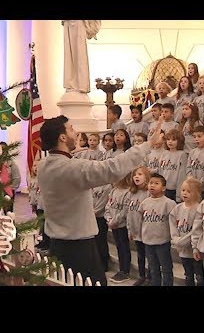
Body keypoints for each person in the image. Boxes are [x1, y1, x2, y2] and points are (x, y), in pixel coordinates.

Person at [37, 114, 163, 286]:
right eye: (72, 129)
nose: (76, 132)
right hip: (78, 247)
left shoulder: (44, 165)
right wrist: (147, 145)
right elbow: (111, 168)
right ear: (63, 137)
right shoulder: (71, 167)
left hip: (57, 243)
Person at [169, 178, 204, 286]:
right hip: (183, 250)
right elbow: (173, 225)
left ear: (197, 193)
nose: (185, 193)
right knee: (188, 275)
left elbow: (197, 230)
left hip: (196, 251)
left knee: (200, 276)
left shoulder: (199, 209)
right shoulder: (177, 209)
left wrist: (183, 241)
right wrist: (176, 239)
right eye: (183, 190)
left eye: (189, 191)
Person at [62, 20, 101, 93]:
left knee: (80, 55)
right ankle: (70, 84)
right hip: (68, 24)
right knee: (69, 56)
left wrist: (92, 28)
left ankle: (81, 85)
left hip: (79, 24)